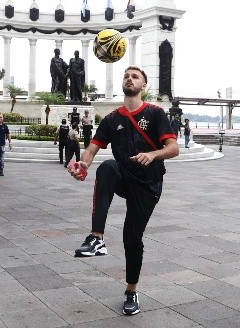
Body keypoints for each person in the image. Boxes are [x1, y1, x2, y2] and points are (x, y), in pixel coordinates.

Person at [69, 66, 179, 316]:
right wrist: (83, 163)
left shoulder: (155, 113)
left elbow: (173, 148)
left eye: (135, 76)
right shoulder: (111, 119)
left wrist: (153, 154)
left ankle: (131, 291)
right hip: (124, 176)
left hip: (148, 185)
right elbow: (92, 148)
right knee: (107, 167)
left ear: (144, 85)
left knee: (132, 238)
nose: (130, 79)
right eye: (126, 76)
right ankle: (97, 237)